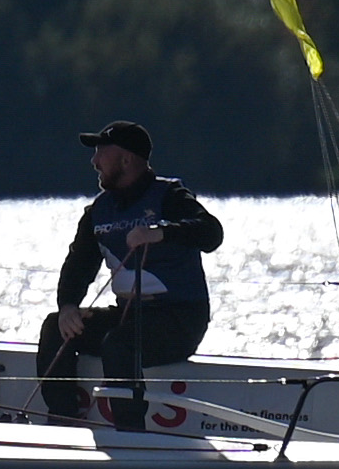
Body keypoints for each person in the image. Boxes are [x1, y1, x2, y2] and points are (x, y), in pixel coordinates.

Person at [40, 117, 219, 427]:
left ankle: (130, 433)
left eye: (101, 152)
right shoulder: (98, 211)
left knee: (119, 343)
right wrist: (67, 306)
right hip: (129, 316)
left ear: (125, 159)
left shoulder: (170, 196)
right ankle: (63, 421)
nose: (94, 162)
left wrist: (160, 232)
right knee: (55, 327)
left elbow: (212, 233)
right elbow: (78, 265)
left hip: (179, 320)